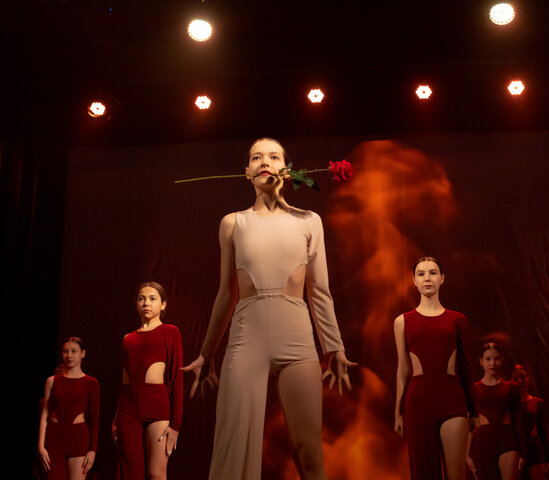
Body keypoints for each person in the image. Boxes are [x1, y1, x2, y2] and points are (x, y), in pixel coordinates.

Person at [182, 137, 356, 480]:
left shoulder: (309, 221)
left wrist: (334, 346)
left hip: (297, 339)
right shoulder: (233, 223)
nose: (265, 162)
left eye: (274, 157)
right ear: (247, 172)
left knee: (308, 451)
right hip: (246, 338)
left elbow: (319, 290)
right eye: (256, 157)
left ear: (287, 170)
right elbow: (225, 294)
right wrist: (206, 353)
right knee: (232, 446)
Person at [394, 257, 479, 480]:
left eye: (432, 273)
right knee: (424, 474)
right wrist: (397, 413)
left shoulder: (458, 320)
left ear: (442, 278)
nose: (427, 278)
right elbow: (402, 369)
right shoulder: (402, 321)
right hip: (418, 404)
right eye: (421, 274)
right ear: (414, 280)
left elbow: (465, 366)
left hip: (452, 401)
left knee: (456, 474)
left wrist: (474, 410)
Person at [113, 282, 183, 480]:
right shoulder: (128, 339)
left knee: (156, 473)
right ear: (136, 303)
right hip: (128, 409)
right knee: (131, 474)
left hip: (157, 407)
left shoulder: (170, 332)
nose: (146, 303)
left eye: (153, 299)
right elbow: (124, 382)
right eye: (141, 299)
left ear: (163, 304)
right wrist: (117, 417)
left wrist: (176, 425)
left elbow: (177, 379)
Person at [37, 337, 100, 480]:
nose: (69, 355)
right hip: (55, 438)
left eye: (73, 351)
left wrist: (93, 450)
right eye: (65, 351)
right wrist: (40, 446)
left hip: (78, 437)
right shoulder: (52, 381)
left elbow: (95, 419)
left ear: (82, 353)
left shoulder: (91, 383)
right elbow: (45, 414)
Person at [469, 343, 526, 480]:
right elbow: (470, 424)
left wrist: (524, 452)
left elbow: (518, 421)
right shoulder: (474, 389)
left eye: (496, 359)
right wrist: (467, 454)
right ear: (481, 361)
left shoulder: (511, 388)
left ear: (502, 360)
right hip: (482, 442)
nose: (492, 363)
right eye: (488, 359)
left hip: (507, 440)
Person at [511, 364, 549, 480]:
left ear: (528, 379)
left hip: (533, 447)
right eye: (516, 378)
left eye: (522, 378)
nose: (520, 381)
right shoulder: (509, 405)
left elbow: (542, 431)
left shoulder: (536, 403)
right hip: (515, 448)